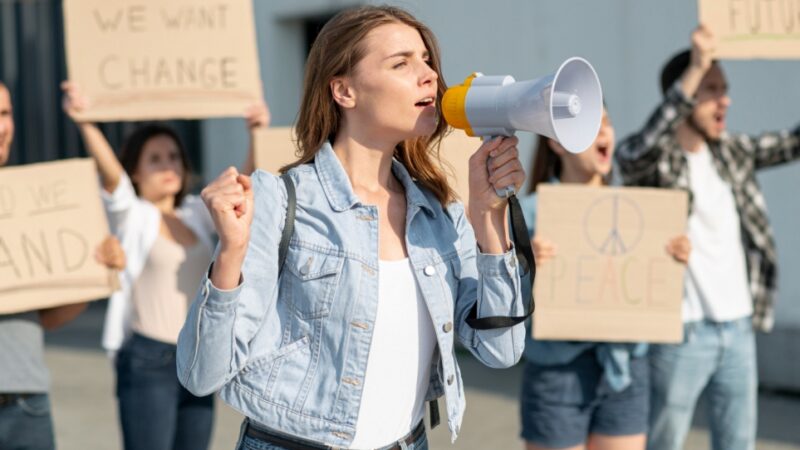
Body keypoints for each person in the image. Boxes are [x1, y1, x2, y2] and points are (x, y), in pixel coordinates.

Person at [177, 5, 528, 450]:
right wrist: (229, 254)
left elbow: (502, 350)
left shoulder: (441, 215)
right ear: (344, 90)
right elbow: (201, 374)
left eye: (426, 60)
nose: (429, 77)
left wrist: (489, 218)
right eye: (401, 63)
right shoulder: (282, 200)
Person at [615, 25, 800, 450]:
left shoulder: (731, 152)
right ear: (685, 95)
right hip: (682, 332)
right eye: (712, 89)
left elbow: (792, 142)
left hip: (739, 329)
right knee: (664, 441)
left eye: (725, 89)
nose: (725, 100)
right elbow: (632, 154)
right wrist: (696, 66)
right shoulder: (656, 162)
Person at [62, 82, 270, 450]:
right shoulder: (134, 216)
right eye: (155, 159)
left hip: (196, 357)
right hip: (148, 360)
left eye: (173, 157)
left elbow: (243, 186)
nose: (168, 165)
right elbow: (113, 179)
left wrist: (256, 132)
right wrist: (85, 122)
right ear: (136, 173)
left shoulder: (195, 215)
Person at [517, 107, 690, 450]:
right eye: (589, 127)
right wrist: (522, 268)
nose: (603, 133)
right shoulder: (530, 212)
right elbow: (505, 307)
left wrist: (674, 259)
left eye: (607, 124)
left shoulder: (641, 211)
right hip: (557, 372)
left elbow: (650, 292)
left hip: (626, 369)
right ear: (557, 144)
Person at [0, 80, 126, 450]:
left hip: (27, 403)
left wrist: (96, 273)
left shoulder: (26, 205)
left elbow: (48, 319)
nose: (1, 126)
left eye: (5, 113)